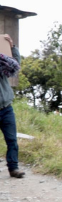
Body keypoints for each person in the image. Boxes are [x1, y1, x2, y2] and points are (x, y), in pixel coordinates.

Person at [0, 34, 24, 178]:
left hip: (6, 108)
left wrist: (12, 47)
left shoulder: (2, 64)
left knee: (12, 140)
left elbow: (15, 64)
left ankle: (13, 168)